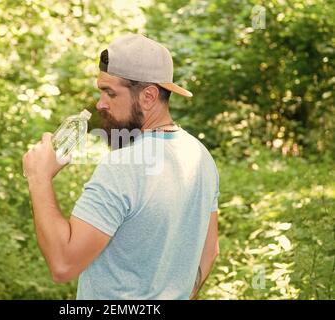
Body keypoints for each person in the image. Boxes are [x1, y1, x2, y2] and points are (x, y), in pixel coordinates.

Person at [22, 34, 220, 300]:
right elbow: (210, 253)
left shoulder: (123, 166)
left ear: (148, 96)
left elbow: (63, 265)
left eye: (110, 93)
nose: (100, 104)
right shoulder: (200, 156)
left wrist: (39, 178)